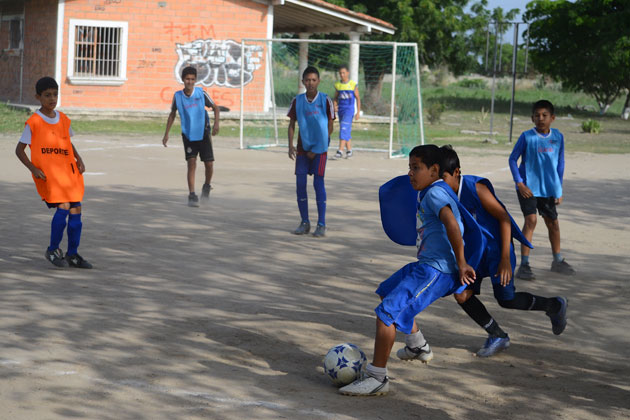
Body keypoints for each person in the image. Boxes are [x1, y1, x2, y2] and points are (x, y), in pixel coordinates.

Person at [396, 145, 568, 360]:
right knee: (462, 293)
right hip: (474, 253)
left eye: (444, 178)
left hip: (497, 250)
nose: (439, 183)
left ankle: (553, 305)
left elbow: (504, 218)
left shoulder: (475, 187)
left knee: (506, 299)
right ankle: (497, 335)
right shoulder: (439, 193)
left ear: (456, 173)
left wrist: (505, 258)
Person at [339, 144, 476, 396]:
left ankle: (377, 376)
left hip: (436, 271)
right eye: (409, 168)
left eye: (416, 168)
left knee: (386, 314)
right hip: (425, 266)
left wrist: (462, 262)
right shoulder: (434, 190)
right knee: (387, 292)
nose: (411, 173)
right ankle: (416, 345)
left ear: (434, 171)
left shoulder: (435, 194)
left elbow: (452, 224)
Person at [15, 77, 92, 269]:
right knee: (64, 205)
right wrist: (33, 168)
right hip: (49, 174)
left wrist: (79, 158)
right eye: (47, 95)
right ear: (38, 97)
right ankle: (52, 249)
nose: (52, 98)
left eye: (55, 94)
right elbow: (19, 149)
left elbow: (67, 142)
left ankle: (73, 254)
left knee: (76, 208)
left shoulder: (63, 119)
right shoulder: (34, 122)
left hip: (68, 172)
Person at [509, 100, 575, 280]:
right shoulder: (527, 137)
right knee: (530, 221)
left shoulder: (558, 137)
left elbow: (560, 164)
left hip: (548, 189)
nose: (541, 118)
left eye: (544, 115)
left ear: (552, 118)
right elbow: (512, 160)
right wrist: (519, 183)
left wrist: (559, 189)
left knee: (552, 223)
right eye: (537, 115)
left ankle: (557, 260)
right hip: (528, 188)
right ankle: (524, 264)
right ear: (532, 118)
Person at [287, 66, 335, 238]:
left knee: (318, 184)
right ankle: (304, 222)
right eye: (307, 80)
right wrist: (290, 145)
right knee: (300, 184)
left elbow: (330, 124)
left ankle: (321, 224)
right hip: (302, 148)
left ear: (318, 81)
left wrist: (322, 145)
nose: (310, 83)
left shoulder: (325, 100)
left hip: (320, 149)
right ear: (303, 82)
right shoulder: (297, 101)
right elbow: (292, 123)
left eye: (314, 80)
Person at [163, 66, 220, 207]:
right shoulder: (178, 96)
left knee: (209, 163)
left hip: (203, 132)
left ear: (195, 80)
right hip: (188, 134)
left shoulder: (201, 93)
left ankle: (206, 186)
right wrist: (166, 134)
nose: (190, 82)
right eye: (187, 79)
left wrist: (216, 124)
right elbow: (172, 114)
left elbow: (216, 108)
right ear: (183, 80)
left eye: (192, 79)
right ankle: (192, 195)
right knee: (191, 163)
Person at [331, 65, 361, 160]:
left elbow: (358, 98)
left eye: (343, 73)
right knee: (345, 129)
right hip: (341, 110)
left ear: (347, 73)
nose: (342, 75)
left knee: (343, 129)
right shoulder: (338, 85)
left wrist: (358, 112)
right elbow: (335, 97)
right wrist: (334, 106)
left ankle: (340, 151)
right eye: (340, 73)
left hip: (349, 110)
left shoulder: (352, 84)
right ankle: (349, 150)